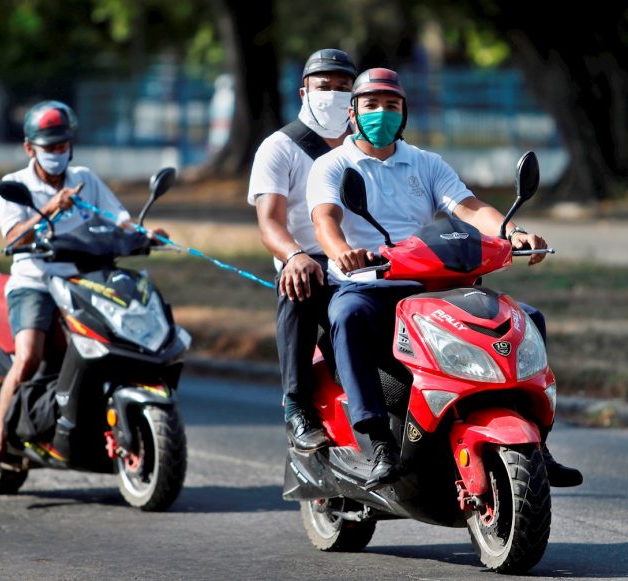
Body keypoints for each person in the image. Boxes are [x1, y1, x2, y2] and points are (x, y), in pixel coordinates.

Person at [306, 67, 583, 488]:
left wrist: (512, 233)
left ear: (405, 114)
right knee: (347, 316)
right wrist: (341, 251)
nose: (382, 113)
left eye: (392, 106)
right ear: (353, 113)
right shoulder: (333, 165)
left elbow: (469, 208)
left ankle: (537, 444)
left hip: (432, 285)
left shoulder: (425, 163)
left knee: (527, 319)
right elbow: (326, 219)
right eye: (372, 105)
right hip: (370, 285)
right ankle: (378, 440)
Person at [0, 100, 165, 479]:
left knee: (109, 344)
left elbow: (119, 219)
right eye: (50, 147)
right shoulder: (17, 186)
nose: (58, 154)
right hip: (34, 283)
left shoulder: (87, 179)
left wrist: (146, 234)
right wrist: (56, 208)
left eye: (63, 146)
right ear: (30, 148)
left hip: (82, 281)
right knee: (28, 357)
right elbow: (12, 238)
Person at [248, 49, 357, 451]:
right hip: (309, 261)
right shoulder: (279, 148)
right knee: (298, 288)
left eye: (344, 88)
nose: (334, 95)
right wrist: (294, 255)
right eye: (324, 87)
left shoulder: (368, 148)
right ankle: (296, 406)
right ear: (303, 91)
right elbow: (270, 223)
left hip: (363, 261)